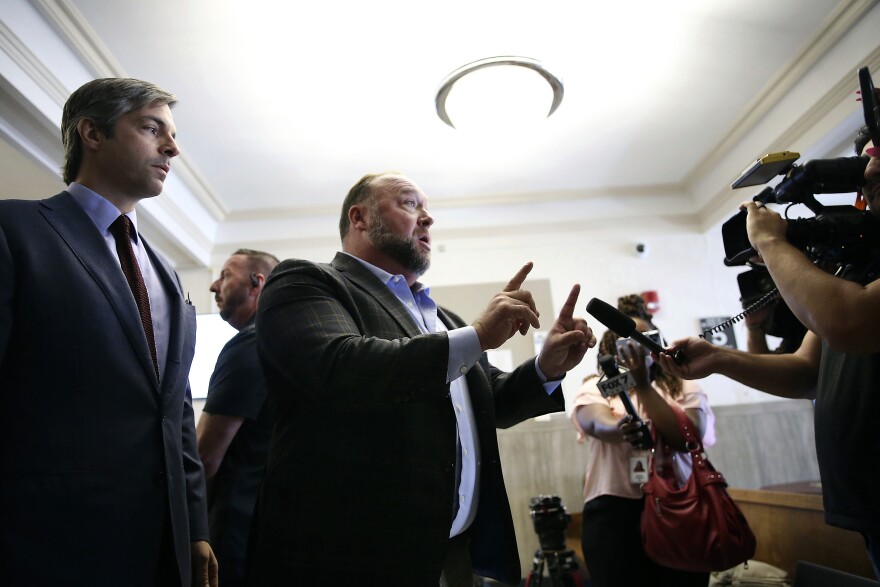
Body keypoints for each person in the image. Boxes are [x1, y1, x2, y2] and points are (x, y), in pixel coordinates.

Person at [246, 172, 596, 586]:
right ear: (359, 218)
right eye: (410, 204)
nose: (427, 219)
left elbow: (492, 400)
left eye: (428, 209)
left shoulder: (444, 319)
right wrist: (480, 336)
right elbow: (342, 367)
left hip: (454, 554)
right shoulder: (306, 281)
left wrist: (547, 367)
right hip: (351, 557)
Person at [0, 78, 217, 587]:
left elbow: (176, 409)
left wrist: (194, 525)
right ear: (92, 133)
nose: (173, 147)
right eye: (151, 128)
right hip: (45, 541)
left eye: (173, 133)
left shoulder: (165, 270)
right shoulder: (15, 229)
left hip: (163, 543)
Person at [658, 125, 880, 579]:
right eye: (867, 170)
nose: (871, 170)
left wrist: (773, 243)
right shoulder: (861, 264)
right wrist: (720, 359)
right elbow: (805, 371)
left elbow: (849, 321)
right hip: (868, 505)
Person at [571, 294, 714, 587]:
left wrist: (643, 382)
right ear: (613, 347)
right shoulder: (597, 387)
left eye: (644, 338)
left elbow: (686, 437)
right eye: (628, 339)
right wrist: (620, 427)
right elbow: (595, 421)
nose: (637, 347)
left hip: (680, 506)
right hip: (614, 513)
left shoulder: (683, 385)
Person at [197, 249, 279, 587]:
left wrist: (186, 529)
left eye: (226, 275)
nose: (215, 286)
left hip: (233, 533)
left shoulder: (249, 345)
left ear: (256, 283)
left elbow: (205, 457)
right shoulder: (284, 343)